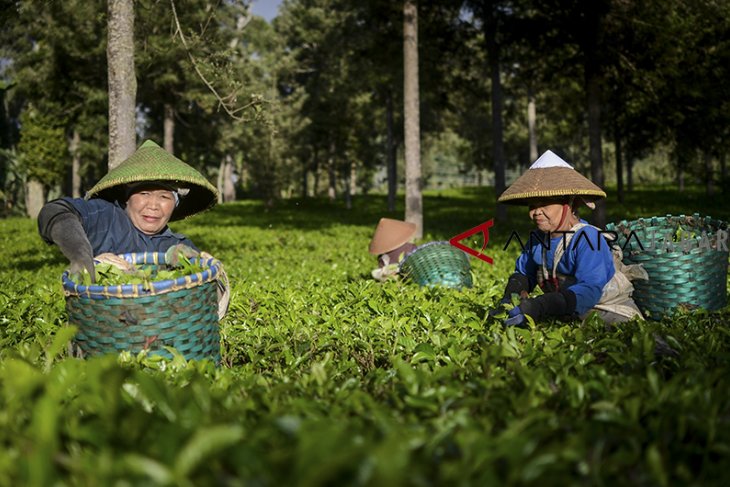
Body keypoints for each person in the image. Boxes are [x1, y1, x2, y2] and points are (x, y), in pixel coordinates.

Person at [494, 150, 646, 326]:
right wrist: (509, 298)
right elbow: (524, 273)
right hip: (566, 312)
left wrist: (542, 305)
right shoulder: (537, 238)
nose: (536, 212)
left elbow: (589, 290)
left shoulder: (589, 239)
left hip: (608, 311)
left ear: (569, 204)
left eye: (544, 204)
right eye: (532, 205)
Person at [38, 139, 219, 281]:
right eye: (144, 193)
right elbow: (54, 212)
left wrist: (200, 266)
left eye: (164, 197)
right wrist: (82, 256)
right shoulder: (106, 217)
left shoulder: (178, 245)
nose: (153, 205)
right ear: (128, 197)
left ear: (175, 204)